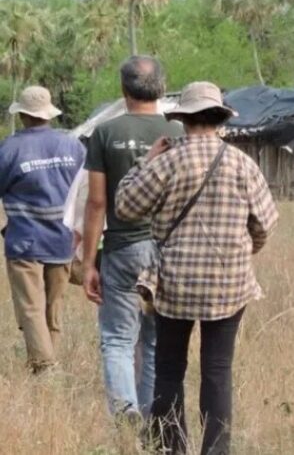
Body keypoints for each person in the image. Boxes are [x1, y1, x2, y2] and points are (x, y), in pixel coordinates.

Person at [115, 81, 278, 455]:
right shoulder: (242, 164)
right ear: (220, 119)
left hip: (175, 283)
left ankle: (171, 447)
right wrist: (243, 254)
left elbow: (125, 206)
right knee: (218, 369)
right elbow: (264, 224)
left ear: (183, 120)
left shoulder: (169, 161)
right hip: (229, 283)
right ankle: (216, 450)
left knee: (169, 367)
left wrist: (147, 161)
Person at [82, 56, 184, 422]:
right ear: (161, 86)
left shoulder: (104, 134)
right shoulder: (177, 133)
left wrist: (89, 260)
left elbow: (96, 202)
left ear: (123, 88)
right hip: (167, 252)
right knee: (155, 342)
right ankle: (150, 419)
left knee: (118, 340)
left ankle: (125, 415)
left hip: (123, 250)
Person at [0, 86, 85, 373]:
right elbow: (86, 189)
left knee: (31, 307)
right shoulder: (73, 146)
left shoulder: (9, 149)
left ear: (22, 115)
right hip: (63, 241)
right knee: (53, 307)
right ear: (48, 114)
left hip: (25, 241)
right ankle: (47, 364)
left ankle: (46, 367)